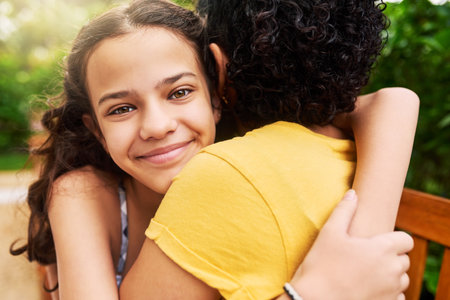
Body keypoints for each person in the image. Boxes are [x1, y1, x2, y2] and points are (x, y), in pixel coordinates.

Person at [10, 0, 417, 299]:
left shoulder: (232, 168)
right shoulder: (82, 194)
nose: (156, 125)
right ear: (96, 130)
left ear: (217, 94)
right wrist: (313, 293)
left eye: (180, 92)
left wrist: (366, 237)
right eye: (122, 109)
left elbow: (390, 103)